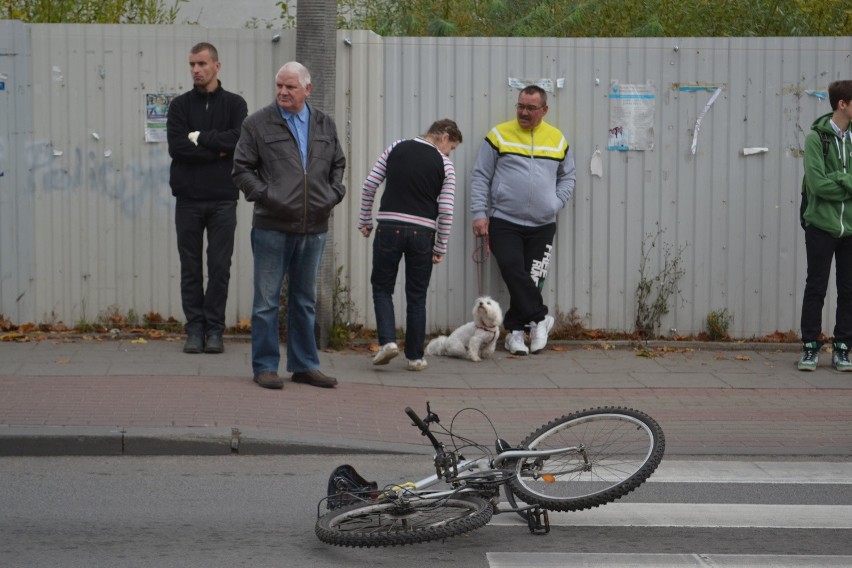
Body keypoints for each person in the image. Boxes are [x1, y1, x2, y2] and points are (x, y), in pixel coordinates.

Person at [232, 61, 346, 390]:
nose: (282, 91)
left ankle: (304, 366)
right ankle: (265, 366)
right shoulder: (257, 124)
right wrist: (267, 196)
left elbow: (338, 163)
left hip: (314, 226)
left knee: (304, 299)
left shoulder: (325, 124)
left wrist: (334, 194)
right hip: (271, 225)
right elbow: (241, 169)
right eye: (279, 85)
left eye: (290, 87)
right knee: (267, 301)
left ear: (307, 90)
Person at [470, 85, 576, 355]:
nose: (523, 112)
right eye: (520, 106)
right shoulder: (499, 135)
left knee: (531, 278)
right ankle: (541, 318)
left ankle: (516, 333)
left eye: (530, 108)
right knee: (512, 269)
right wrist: (479, 213)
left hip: (543, 224)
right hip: (505, 220)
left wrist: (555, 202)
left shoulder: (557, 139)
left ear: (544, 110)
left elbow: (569, 176)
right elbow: (481, 175)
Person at [358, 120, 463, 371]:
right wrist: (440, 247)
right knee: (417, 296)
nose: (450, 153)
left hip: (388, 228)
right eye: (452, 147)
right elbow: (446, 211)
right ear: (444, 136)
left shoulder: (396, 148)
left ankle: (388, 343)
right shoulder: (445, 164)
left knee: (382, 287)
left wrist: (365, 220)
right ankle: (415, 357)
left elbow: (370, 184)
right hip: (423, 234)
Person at [167, 42, 247, 355]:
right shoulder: (179, 106)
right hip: (188, 199)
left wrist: (199, 137)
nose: (196, 70)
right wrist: (217, 149)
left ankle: (215, 331)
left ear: (217, 65)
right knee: (190, 267)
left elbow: (238, 141)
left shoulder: (235, 105)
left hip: (223, 200)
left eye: (201, 64)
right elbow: (177, 148)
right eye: (192, 65)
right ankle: (194, 330)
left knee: (219, 267)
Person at [798, 79, 852, 372]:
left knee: (849, 290)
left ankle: (843, 348)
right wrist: (847, 183)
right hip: (820, 225)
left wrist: (839, 180)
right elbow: (818, 186)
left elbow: (830, 183)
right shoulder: (816, 139)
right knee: (816, 287)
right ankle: (810, 347)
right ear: (842, 104)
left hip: (851, 228)